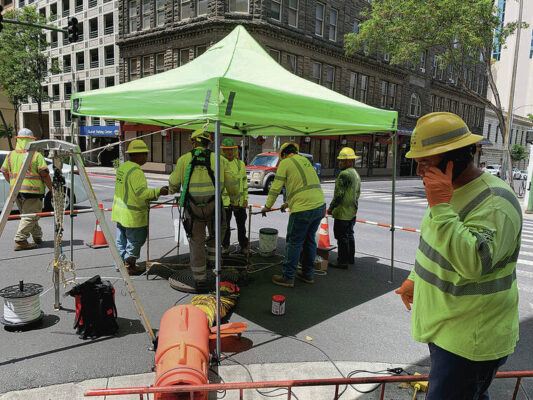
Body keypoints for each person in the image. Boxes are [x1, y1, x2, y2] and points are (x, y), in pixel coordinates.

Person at [395, 112, 520, 399]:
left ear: (453, 159)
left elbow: (474, 262)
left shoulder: (495, 202)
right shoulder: (448, 191)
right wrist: (416, 278)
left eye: (425, 162)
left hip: (470, 339)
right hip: (447, 328)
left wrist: (440, 207)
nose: (418, 171)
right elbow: (434, 242)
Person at [168, 129, 239, 292]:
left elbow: (173, 183)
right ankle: (215, 271)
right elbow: (233, 184)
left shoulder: (184, 160)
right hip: (214, 208)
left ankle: (199, 278)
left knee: (196, 243)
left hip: (192, 210)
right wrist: (234, 201)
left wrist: (171, 189)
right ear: (208, 143)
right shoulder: (219, 160)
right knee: (216, 239)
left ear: (194, 142)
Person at [262, 142, 325, 287]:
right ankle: (308, 274)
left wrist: (267, 206)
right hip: (319, 206)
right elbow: (302, 187)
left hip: (303, 209)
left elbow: (275, 188)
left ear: (283, 155)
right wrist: (288, 203)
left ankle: (288, 277)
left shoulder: (285, 163)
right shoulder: (305, 161)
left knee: (294, 243)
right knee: (309, 241)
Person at [111, 140, 168, 275]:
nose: (146, 157)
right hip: (132, 215)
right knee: (136, 240)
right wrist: (159, 191)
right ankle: (129, 265)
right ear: (139, 155)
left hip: (120, 213)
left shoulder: (123, 167)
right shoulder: (136, 172)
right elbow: (142, 194)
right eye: (145, 154)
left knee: (121, 240)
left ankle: (119, 264)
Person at [1, 128, 53, 251]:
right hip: (33, 191)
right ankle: (20, 240)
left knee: (29, 215)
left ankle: (37, 236)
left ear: (18, 140)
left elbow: (4, 172)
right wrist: (52, 189)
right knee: (30, 216)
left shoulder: (10, 155)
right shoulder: (35, 155)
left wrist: (14, 183)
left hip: (16, 192)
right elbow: (44, 174)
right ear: (32, 141)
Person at [327, 147, 360, 269]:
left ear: (349, 161)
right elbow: (357, 193)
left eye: (342, 161)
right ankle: (350, 258)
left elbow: (339, 195)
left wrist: (331, 208)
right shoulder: (355, 174)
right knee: (349, 234)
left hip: (342, 212)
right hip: (352, 211)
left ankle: (342, 261)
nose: (340, 163)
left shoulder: (344, 174)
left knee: (341, 237)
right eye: (340, 161)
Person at [220, 137, 249, 256]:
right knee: (225, 227)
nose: (229, 152)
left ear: (235, 150)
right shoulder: (220, 164)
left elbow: (244, 182)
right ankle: (225, 246)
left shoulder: (240, 164)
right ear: (222, 151)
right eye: (227, 150)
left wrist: (246, 198)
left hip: (240, 202)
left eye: (231, 149)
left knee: (241, 226)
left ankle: (243, 246)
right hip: (225, 203)